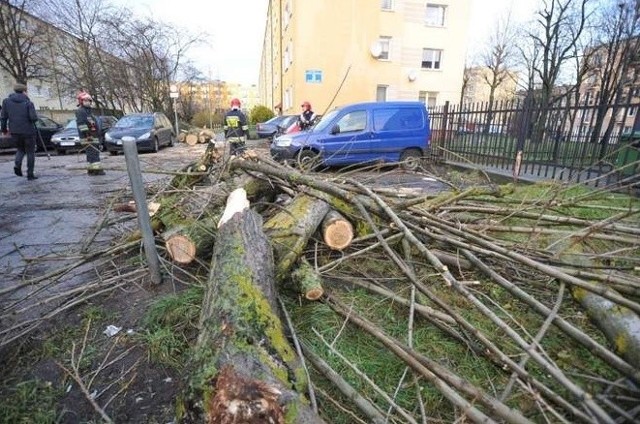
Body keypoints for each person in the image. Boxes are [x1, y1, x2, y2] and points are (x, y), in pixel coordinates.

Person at [1, 83, 39, 180]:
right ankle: (30, 174)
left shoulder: (6, 102)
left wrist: (4, 130)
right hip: (28, 131)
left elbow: (3, 118)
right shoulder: (28, 102)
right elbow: (33, 118)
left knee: (20, 149)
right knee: (30, 152)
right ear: (24, 91)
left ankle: (17, 165)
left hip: (15, 131)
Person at [75, 91, 105, 175]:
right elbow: (81, 124)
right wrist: (87, 135)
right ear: (81, 101)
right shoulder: (80, 111)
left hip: (93, 136)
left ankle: (91, 170)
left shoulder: (88, 112)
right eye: (85, 100)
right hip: (88, 137)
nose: (88, 102)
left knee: (92, 153)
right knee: (93, 153)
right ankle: (96, 170)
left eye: (89, 100)